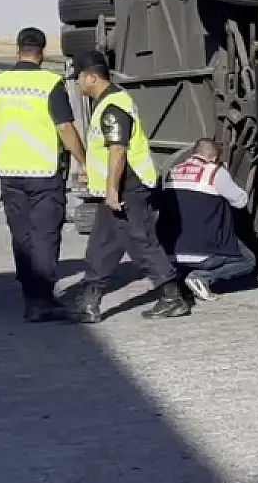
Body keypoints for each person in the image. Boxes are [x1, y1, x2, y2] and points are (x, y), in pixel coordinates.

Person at [70, 51, 190, 322]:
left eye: (79, 77)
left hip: (128, 188)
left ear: (91, 76)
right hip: (116, 189)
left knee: (141, 241)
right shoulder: (108, 103)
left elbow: (118, 150)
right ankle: (89, 301)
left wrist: (112, 188)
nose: (77, 83)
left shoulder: (113, 106)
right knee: (103, 244)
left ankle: (172, 296)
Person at [0, 28, 87, 322]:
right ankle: (41, 301)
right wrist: (83, 161)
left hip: (8, 170)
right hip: (43, 171)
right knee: (45, 235)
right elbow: (65, 127)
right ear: (41, 51)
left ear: (18, 49)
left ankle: (30, 293)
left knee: (22, 236)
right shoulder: (49, 82)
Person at [157, 138, 257, 301]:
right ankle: (201, 277)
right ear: (214, 158)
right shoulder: (215, 172)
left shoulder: (172, 171)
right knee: (249, 260)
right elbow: (241, 201)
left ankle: (181, 277)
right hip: (204, 252)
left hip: (171, 252)